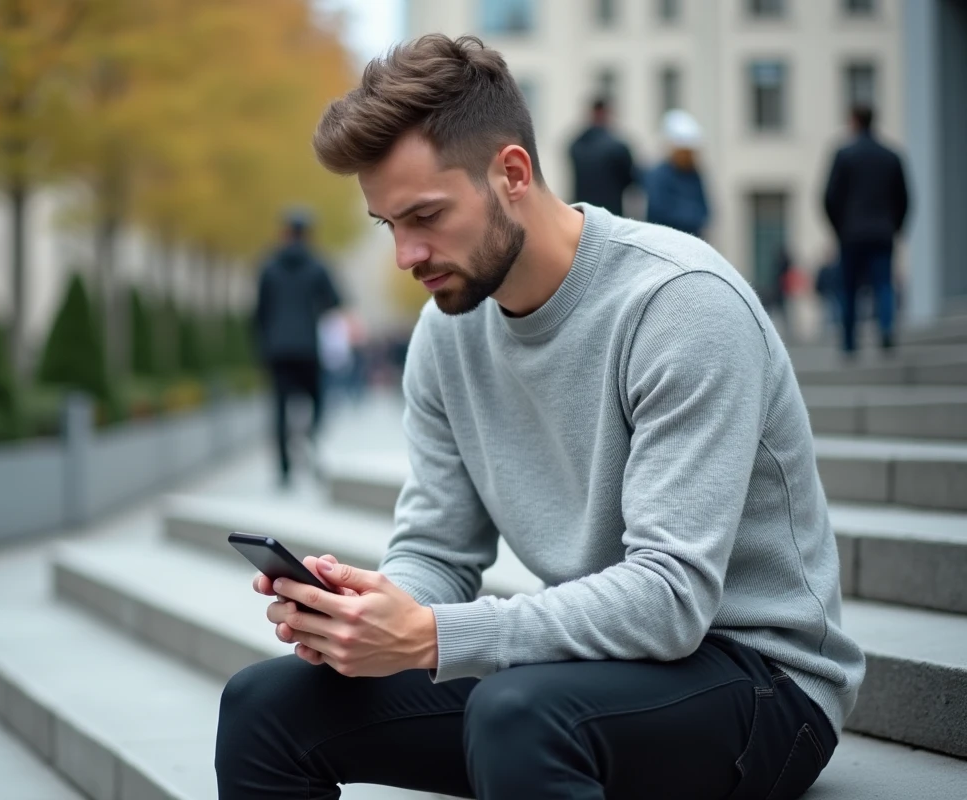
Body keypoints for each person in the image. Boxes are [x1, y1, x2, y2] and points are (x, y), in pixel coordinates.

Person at [218, 35, 863, 800]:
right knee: (264, 707)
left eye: (425, 215)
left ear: (512, 173)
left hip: (761, 681)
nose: (405, 255)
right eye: (389, 223)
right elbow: (439, 547)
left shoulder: (681, 304)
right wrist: (372, 614)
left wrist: (433, 637)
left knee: (517, 714)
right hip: (594, 666)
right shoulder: (445, 332)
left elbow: (669, 598)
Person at [253, 208, 341, 486]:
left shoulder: (269, 266)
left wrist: (262, 345)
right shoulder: (317, 265)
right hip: (308, 347)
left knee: (279, 408)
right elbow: (335, 301)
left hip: (277, 348)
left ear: (285, 232)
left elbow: (259, 312)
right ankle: (310, 442)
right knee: (317, 402)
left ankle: (284, 470)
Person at [822, 105, 909, 355]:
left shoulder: (844, 155)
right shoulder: (891, 156)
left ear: (854, 121)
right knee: (884, 284)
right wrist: (895, 227)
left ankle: (850, 342)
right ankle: (886, 331)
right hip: (882, 232)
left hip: (851, 233)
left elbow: (829, 197)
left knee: (849, 288)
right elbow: (903, 198)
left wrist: (839, 228)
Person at [566, 97, 638, 217]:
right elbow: (630, 179)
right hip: (610, 211)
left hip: (583, 213)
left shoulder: (576, 145)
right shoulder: (617, 147)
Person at [644, 109, 710, 238]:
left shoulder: (694, 175)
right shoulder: (658, 175)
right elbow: (658, 211)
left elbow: (706, 211)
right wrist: (690, 214)